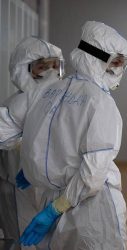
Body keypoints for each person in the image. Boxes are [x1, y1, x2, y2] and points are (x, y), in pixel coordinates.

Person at [0, 21, 127, 249]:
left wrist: (53, 207)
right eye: (115, 63)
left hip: (78, 203)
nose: (118, 71)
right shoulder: (98, 102)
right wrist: (33, 165)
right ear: (97, 59)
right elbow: (89, 171)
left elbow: (11, 131)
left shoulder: (47, 92)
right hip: (78, 203)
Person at [0, 37, 64, 249]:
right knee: (22, 236)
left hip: (50, 184)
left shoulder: (65, 100)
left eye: (55, 65)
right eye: (43, 67)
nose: (51, 73)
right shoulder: (15, 104)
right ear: (23, 69)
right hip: (16, 186)